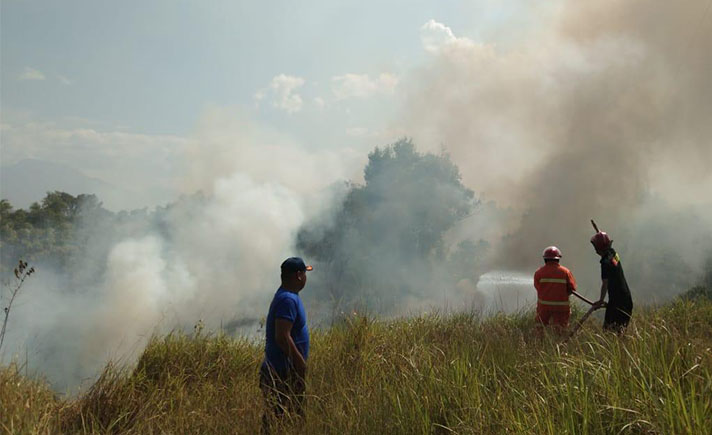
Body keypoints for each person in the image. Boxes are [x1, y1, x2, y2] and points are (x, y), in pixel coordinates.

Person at [260, 257, 313, 432]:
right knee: (281, 419)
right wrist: (300, 364)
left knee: (285, 418)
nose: (306, 277)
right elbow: (282, 337)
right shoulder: (288, 300)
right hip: (283, 372)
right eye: (305, 273)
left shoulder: (288, 297)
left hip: (284, 371)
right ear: (298, 275)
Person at [590, 231, 633, 333]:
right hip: (626, 300)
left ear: (598, 249)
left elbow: (605, 284)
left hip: (617, 303)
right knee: (619, 334)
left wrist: (600, 300)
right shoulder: (613, 254)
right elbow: (608, 249)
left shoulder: (605, 263)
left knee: (609, 333)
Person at [533, 246, 577, 335]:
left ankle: (539, 346)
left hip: (543, 307)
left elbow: (537, 287)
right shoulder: (565, 272)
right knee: (560, 330)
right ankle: (560, 346)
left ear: (545, 259)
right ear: (558, 259)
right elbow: (572, 288)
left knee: (540, 328)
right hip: (561, 307)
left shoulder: (539, 272)